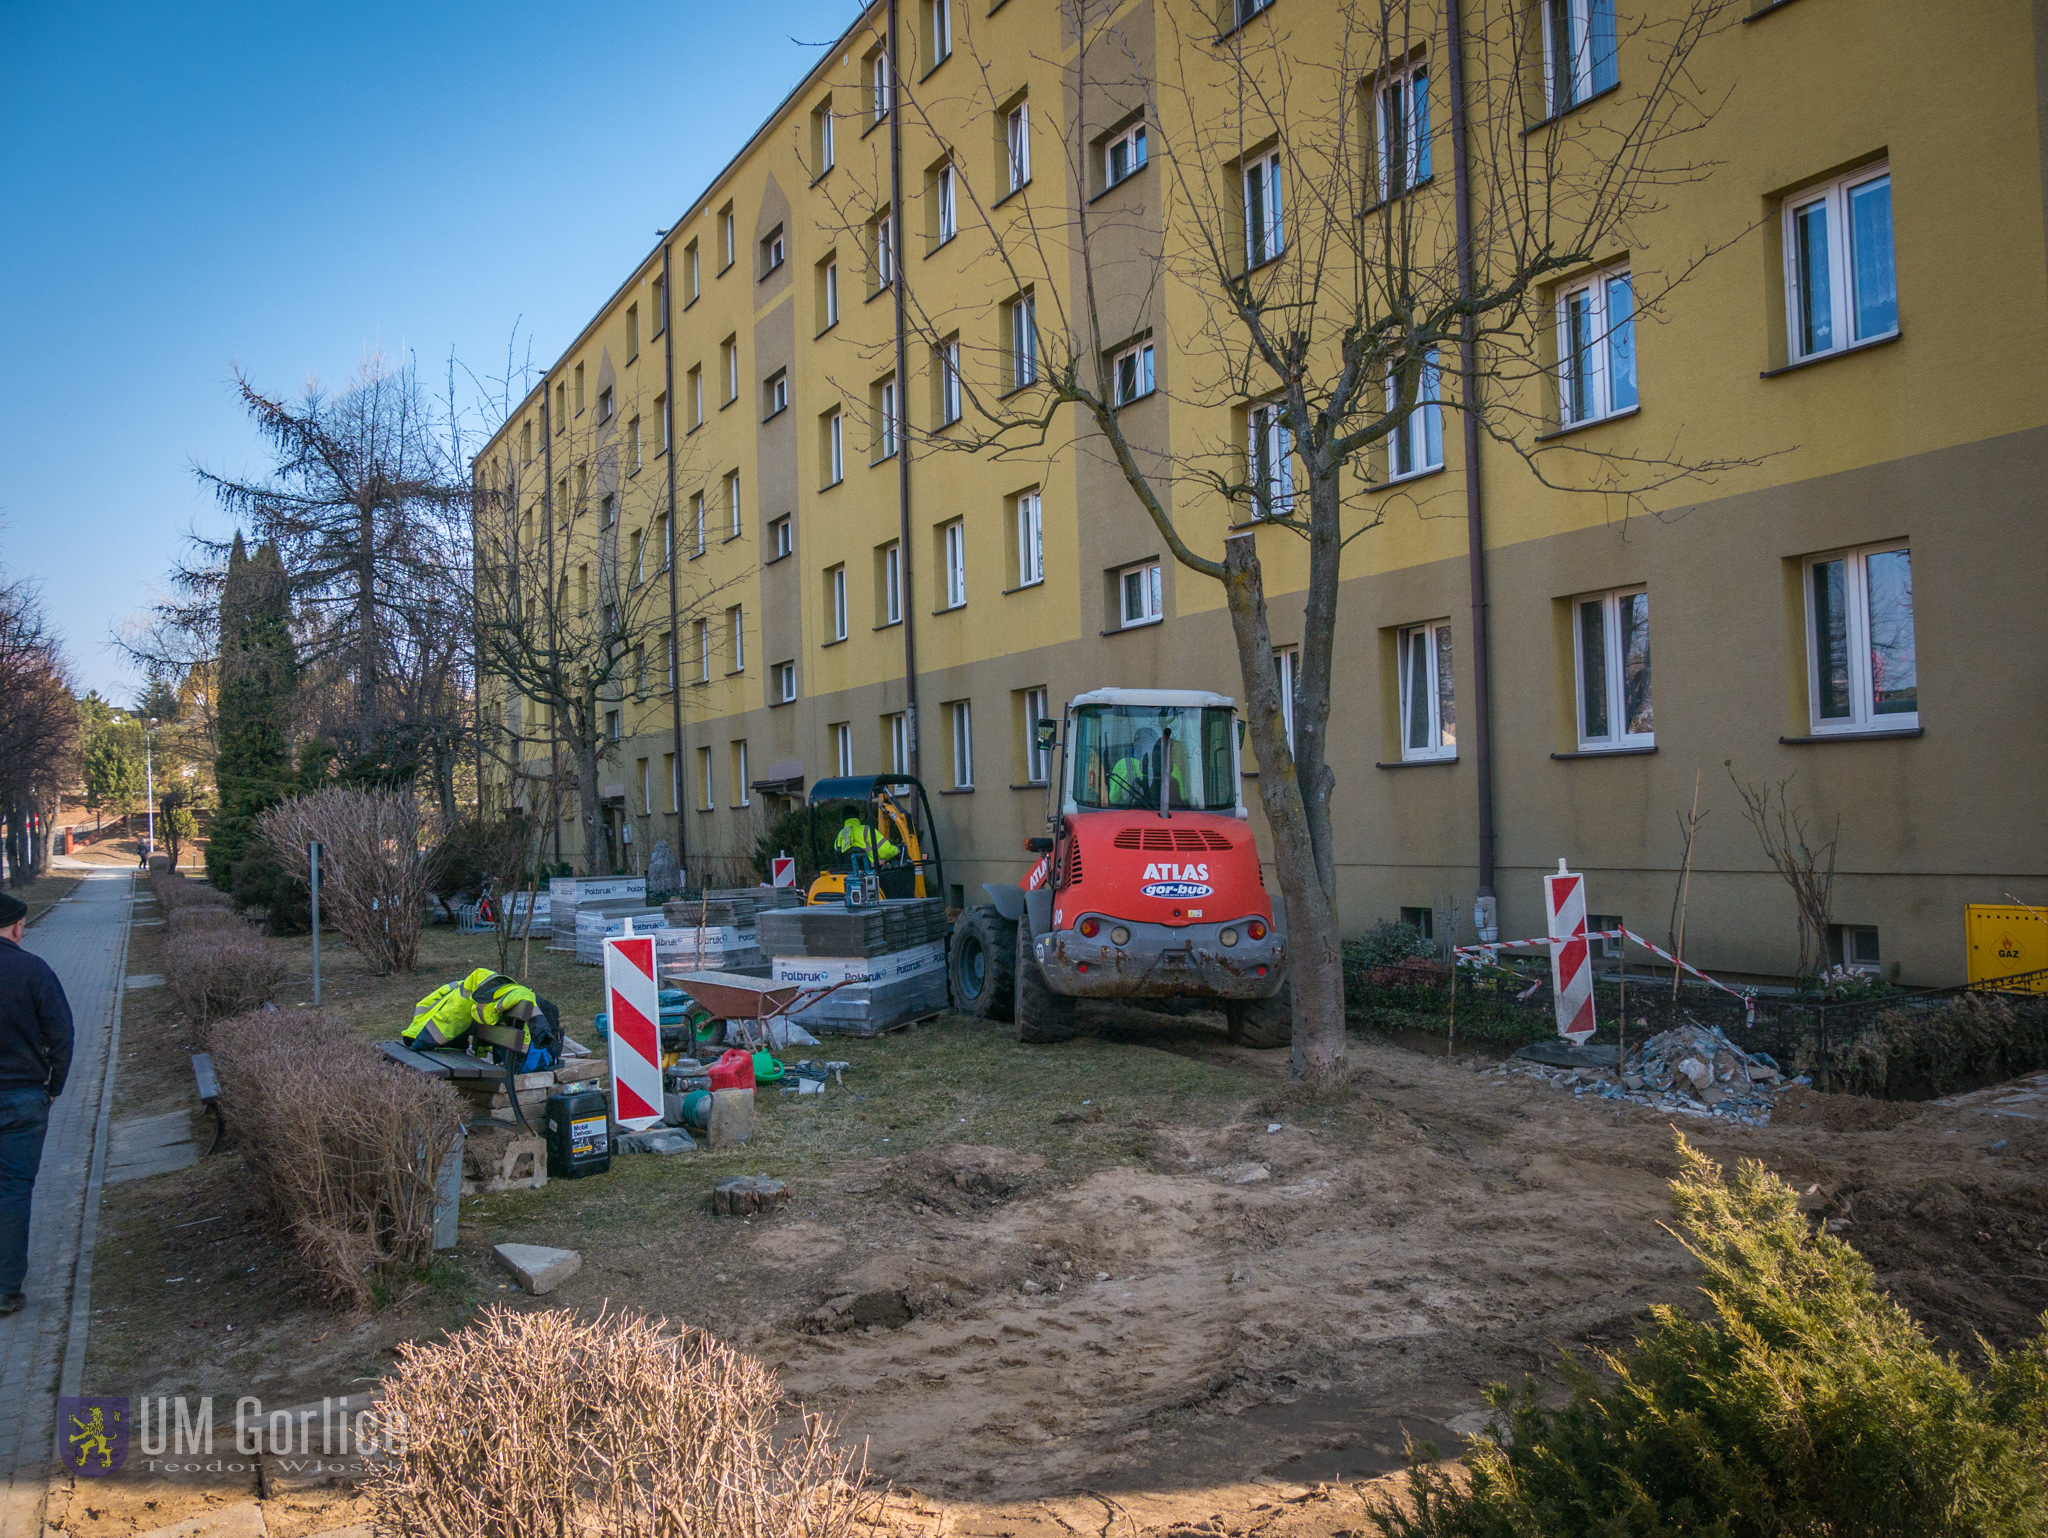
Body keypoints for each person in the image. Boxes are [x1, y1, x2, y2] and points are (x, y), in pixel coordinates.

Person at [0, 890, 72, 1315]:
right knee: (12, 1191)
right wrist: (53, 1087)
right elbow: (61, 1036)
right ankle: (7, 1287)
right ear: (17, 927)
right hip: (23, 1099)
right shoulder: (33, 970)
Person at [404, 967, 559, 1071]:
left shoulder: (484, 989)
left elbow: (521, 996)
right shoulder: (476, 988)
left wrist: (537, 1019)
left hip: (420, 1037)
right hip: (420, 1036)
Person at [834, 814, 898, 865]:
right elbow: (885, 852)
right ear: (857, 817)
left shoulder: (839, 836)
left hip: (846, 874)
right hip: (872, 872)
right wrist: (898, 849)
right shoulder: (867, 830)